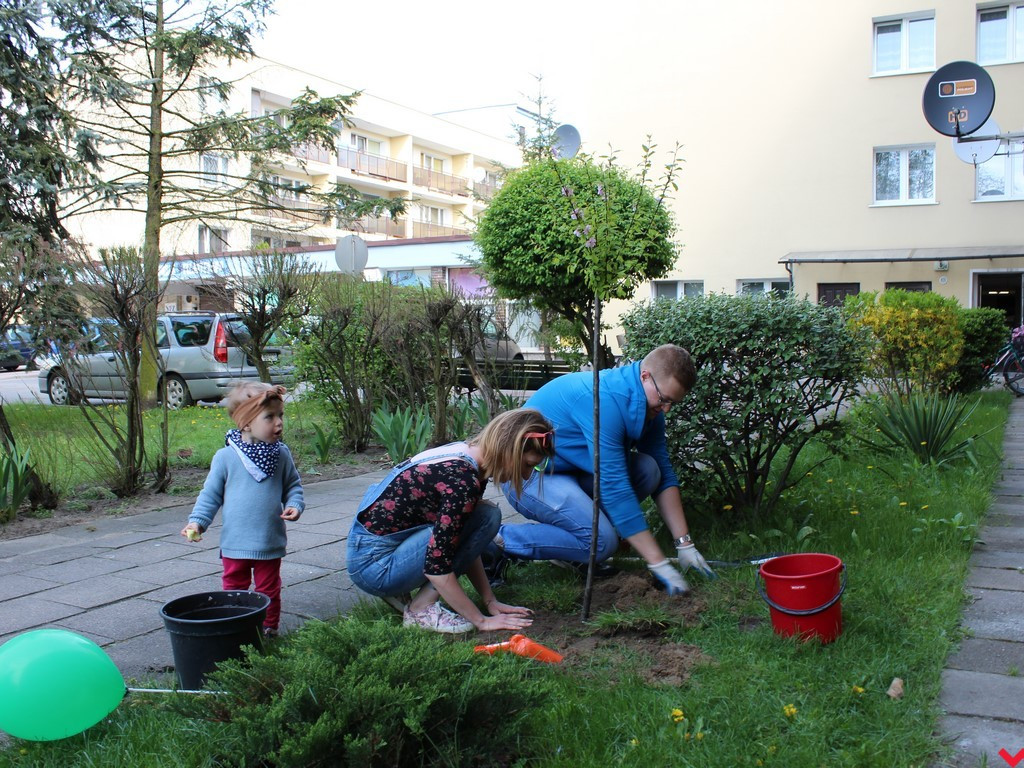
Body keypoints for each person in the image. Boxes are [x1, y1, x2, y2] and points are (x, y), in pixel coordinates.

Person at [491, 343, 713, 594]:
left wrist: (684, 544)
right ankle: (498, 539)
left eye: (673, 402)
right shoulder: (604, 401)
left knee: (649, 470)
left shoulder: (650, 406)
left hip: (572, 473)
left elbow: (663, 470)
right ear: (645, 376)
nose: (666, 409)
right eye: (664, 400)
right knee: (602, 542)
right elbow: (614, 487)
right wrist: (658, 562)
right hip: (527, 475)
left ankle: (571, 546)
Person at [346, 409, 554, 634]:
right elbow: (438, 567)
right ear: (510, 450)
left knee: (483, 516)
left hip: (371, 552)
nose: (525, 475)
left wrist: (490, 601)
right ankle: (420, 610)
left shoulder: (468, 456)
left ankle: (409, 591)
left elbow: (463, 539)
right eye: (527, 464)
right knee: (486, 517)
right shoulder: (463, 481)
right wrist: (482, 621)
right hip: (376, 567)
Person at [181, 382, 304, 637]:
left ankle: (268, 630)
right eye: (269, 417)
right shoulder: (226, 458)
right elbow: (210, 495)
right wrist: (197, 522)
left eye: (280, 415)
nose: (279, 423)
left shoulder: (280, 455)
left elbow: (293, 485)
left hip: (268, 541)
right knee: (233, 588)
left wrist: (294, 504)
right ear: (246, 423)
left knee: (269, 589)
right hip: (235, 542)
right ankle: (235, 626)